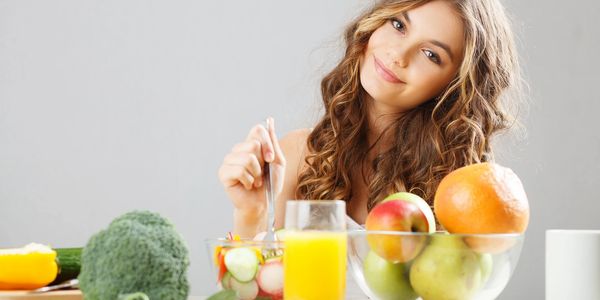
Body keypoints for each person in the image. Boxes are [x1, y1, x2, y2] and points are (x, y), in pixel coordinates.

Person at [218, 0, 523, 238]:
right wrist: (252, 213)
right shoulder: (297, 156)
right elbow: (252, 291)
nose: (398, 55)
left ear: (455, 87)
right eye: (398, 24)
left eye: (431, 54)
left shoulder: (463, 193)